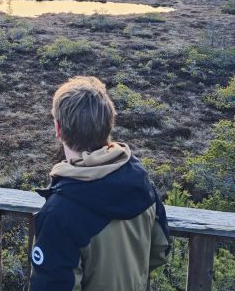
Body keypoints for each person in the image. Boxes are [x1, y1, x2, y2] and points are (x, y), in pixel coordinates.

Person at [29, 76, 170, 290]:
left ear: (58, 129)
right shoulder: (139, 179)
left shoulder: (59, 213)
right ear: (109, 124)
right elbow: (160, 249)